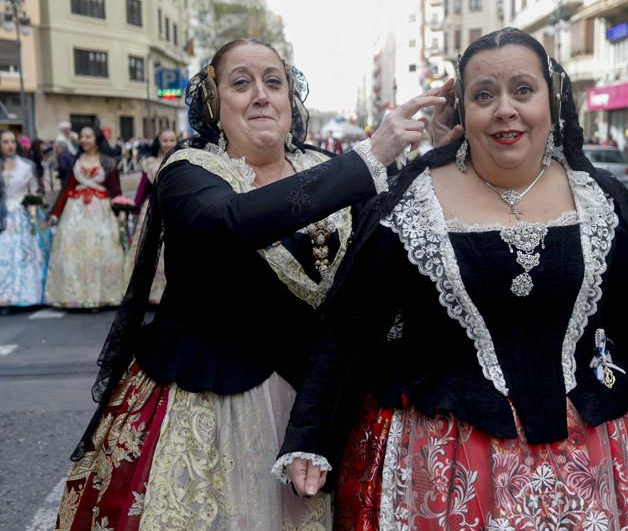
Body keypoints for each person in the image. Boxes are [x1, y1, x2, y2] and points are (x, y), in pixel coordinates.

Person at [278, 28, 628, 529]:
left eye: (523, 90)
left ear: (552, 101)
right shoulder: (412, 203)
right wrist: (310, 435)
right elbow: (351, 327)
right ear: (462, 110)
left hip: (604, 455)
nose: (505, 110)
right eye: (484, 95)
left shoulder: (599, 197)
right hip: (447, 461)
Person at [55, 38, 445, 530]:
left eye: (273, 82)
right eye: (241, 83)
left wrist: (450, 154)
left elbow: (397, 259)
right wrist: (370, 157)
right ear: (215, 105)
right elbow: (232, 220)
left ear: (289, 100)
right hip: (209, 404)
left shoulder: (326, 167)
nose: (261, 95)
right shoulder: (189, 172)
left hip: (318, 407)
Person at [45, 126, 126, 308]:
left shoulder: (108, 162)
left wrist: (121, 210)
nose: (84, 140)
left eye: (88, 136)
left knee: (103, 249)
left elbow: (116, 191)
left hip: (102, 212)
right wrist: (55, 214)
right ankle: (75, 295)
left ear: (96, 139)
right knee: (74, 250)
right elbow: (66, 190)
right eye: (82, 136)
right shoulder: (76, 161)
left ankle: (103, 295)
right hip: (75, 212)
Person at [122, 128, 178, 304]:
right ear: (158, 142)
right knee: (150, 249)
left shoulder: (183, 160)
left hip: (175, 210)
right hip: (153, 210)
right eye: (165, 140)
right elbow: (142, 189)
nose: (168, 143)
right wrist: (134, 209)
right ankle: (149, 292)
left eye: (171, 140)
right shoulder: (149, 163)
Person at [0, 130, 46, 307]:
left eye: (12, 141)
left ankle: (24, 295)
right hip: (3, 214)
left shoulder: (26, 166)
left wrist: (34, 203)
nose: (10, 145)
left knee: (25, 255)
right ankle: (4, 297)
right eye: (5, 142)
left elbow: (34, 189)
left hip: (22, 215)